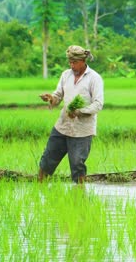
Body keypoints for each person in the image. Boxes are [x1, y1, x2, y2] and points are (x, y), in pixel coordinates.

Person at [38, 45, 104, 184]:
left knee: (77, 164)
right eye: (70, 62)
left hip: (82, 130)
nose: (71, 65)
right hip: (63, 126)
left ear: (83, 61)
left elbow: (98, 104)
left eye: (74, 62)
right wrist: (50, 98)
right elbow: (58, 96)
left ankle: (79, 196)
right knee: (47, 159)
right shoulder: (66, 75)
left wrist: (79, 112)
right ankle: (40, 189)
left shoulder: (94, 78)